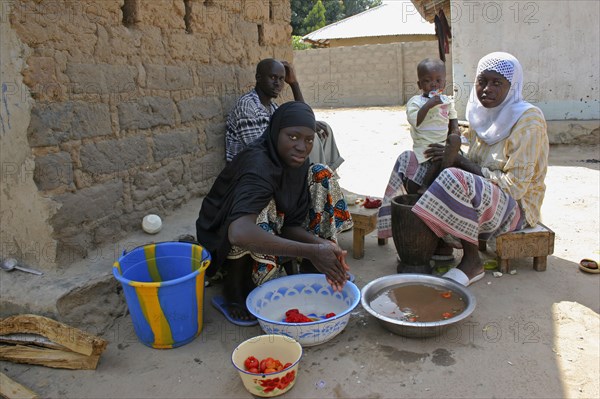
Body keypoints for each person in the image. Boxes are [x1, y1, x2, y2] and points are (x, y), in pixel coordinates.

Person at [378, 52, 549, 286]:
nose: (487, 89)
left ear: (513, 87)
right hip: (487, 198)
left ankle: (472, 261)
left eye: (497, 83)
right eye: (482, 81)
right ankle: (434, 240)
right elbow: (465, 152)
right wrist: (447, 150)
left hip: (515, 211)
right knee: (409, 160)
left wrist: (459, 160)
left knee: (452, 175)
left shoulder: (528, 121)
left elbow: (515, 188)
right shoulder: (481, 114)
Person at [197, 101, 353, 325]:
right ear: (275, 131)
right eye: (293, 136)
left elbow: (290, 225)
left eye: (309, 139)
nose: (302, 146)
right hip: (220, 232)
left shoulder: (297, 163)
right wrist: (311, 250)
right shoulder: (258, 163)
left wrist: (321, 245)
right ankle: (234, 288)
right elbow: (239, 232)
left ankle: (312, 266)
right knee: (261, 206)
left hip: (268, 223)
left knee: (321, 174)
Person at [225, 58, 344, 171]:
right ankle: (318, 184)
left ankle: (326, 179)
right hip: (251, 168)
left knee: (322, 129)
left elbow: (304, 118)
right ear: (258, 78)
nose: (277, 83)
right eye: (272, 77)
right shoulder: (247, 105)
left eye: (281, 79)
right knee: (311, 139)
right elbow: (258, 150)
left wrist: (294, 84)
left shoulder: (272, 107)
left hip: (269, 160)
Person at [406, 58, 460, 194]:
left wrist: (455, 133)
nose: (433, 84)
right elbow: (415, 121)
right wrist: (428, 105)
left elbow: (453, 118)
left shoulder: (446, 101)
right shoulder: (416, 102)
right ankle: (425, 185)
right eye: (427, 81)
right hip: (425, 144)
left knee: (451, 157)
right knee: (436, 159)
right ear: (419, 84)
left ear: (444, 83)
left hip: (442, 142)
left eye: (438, 80)